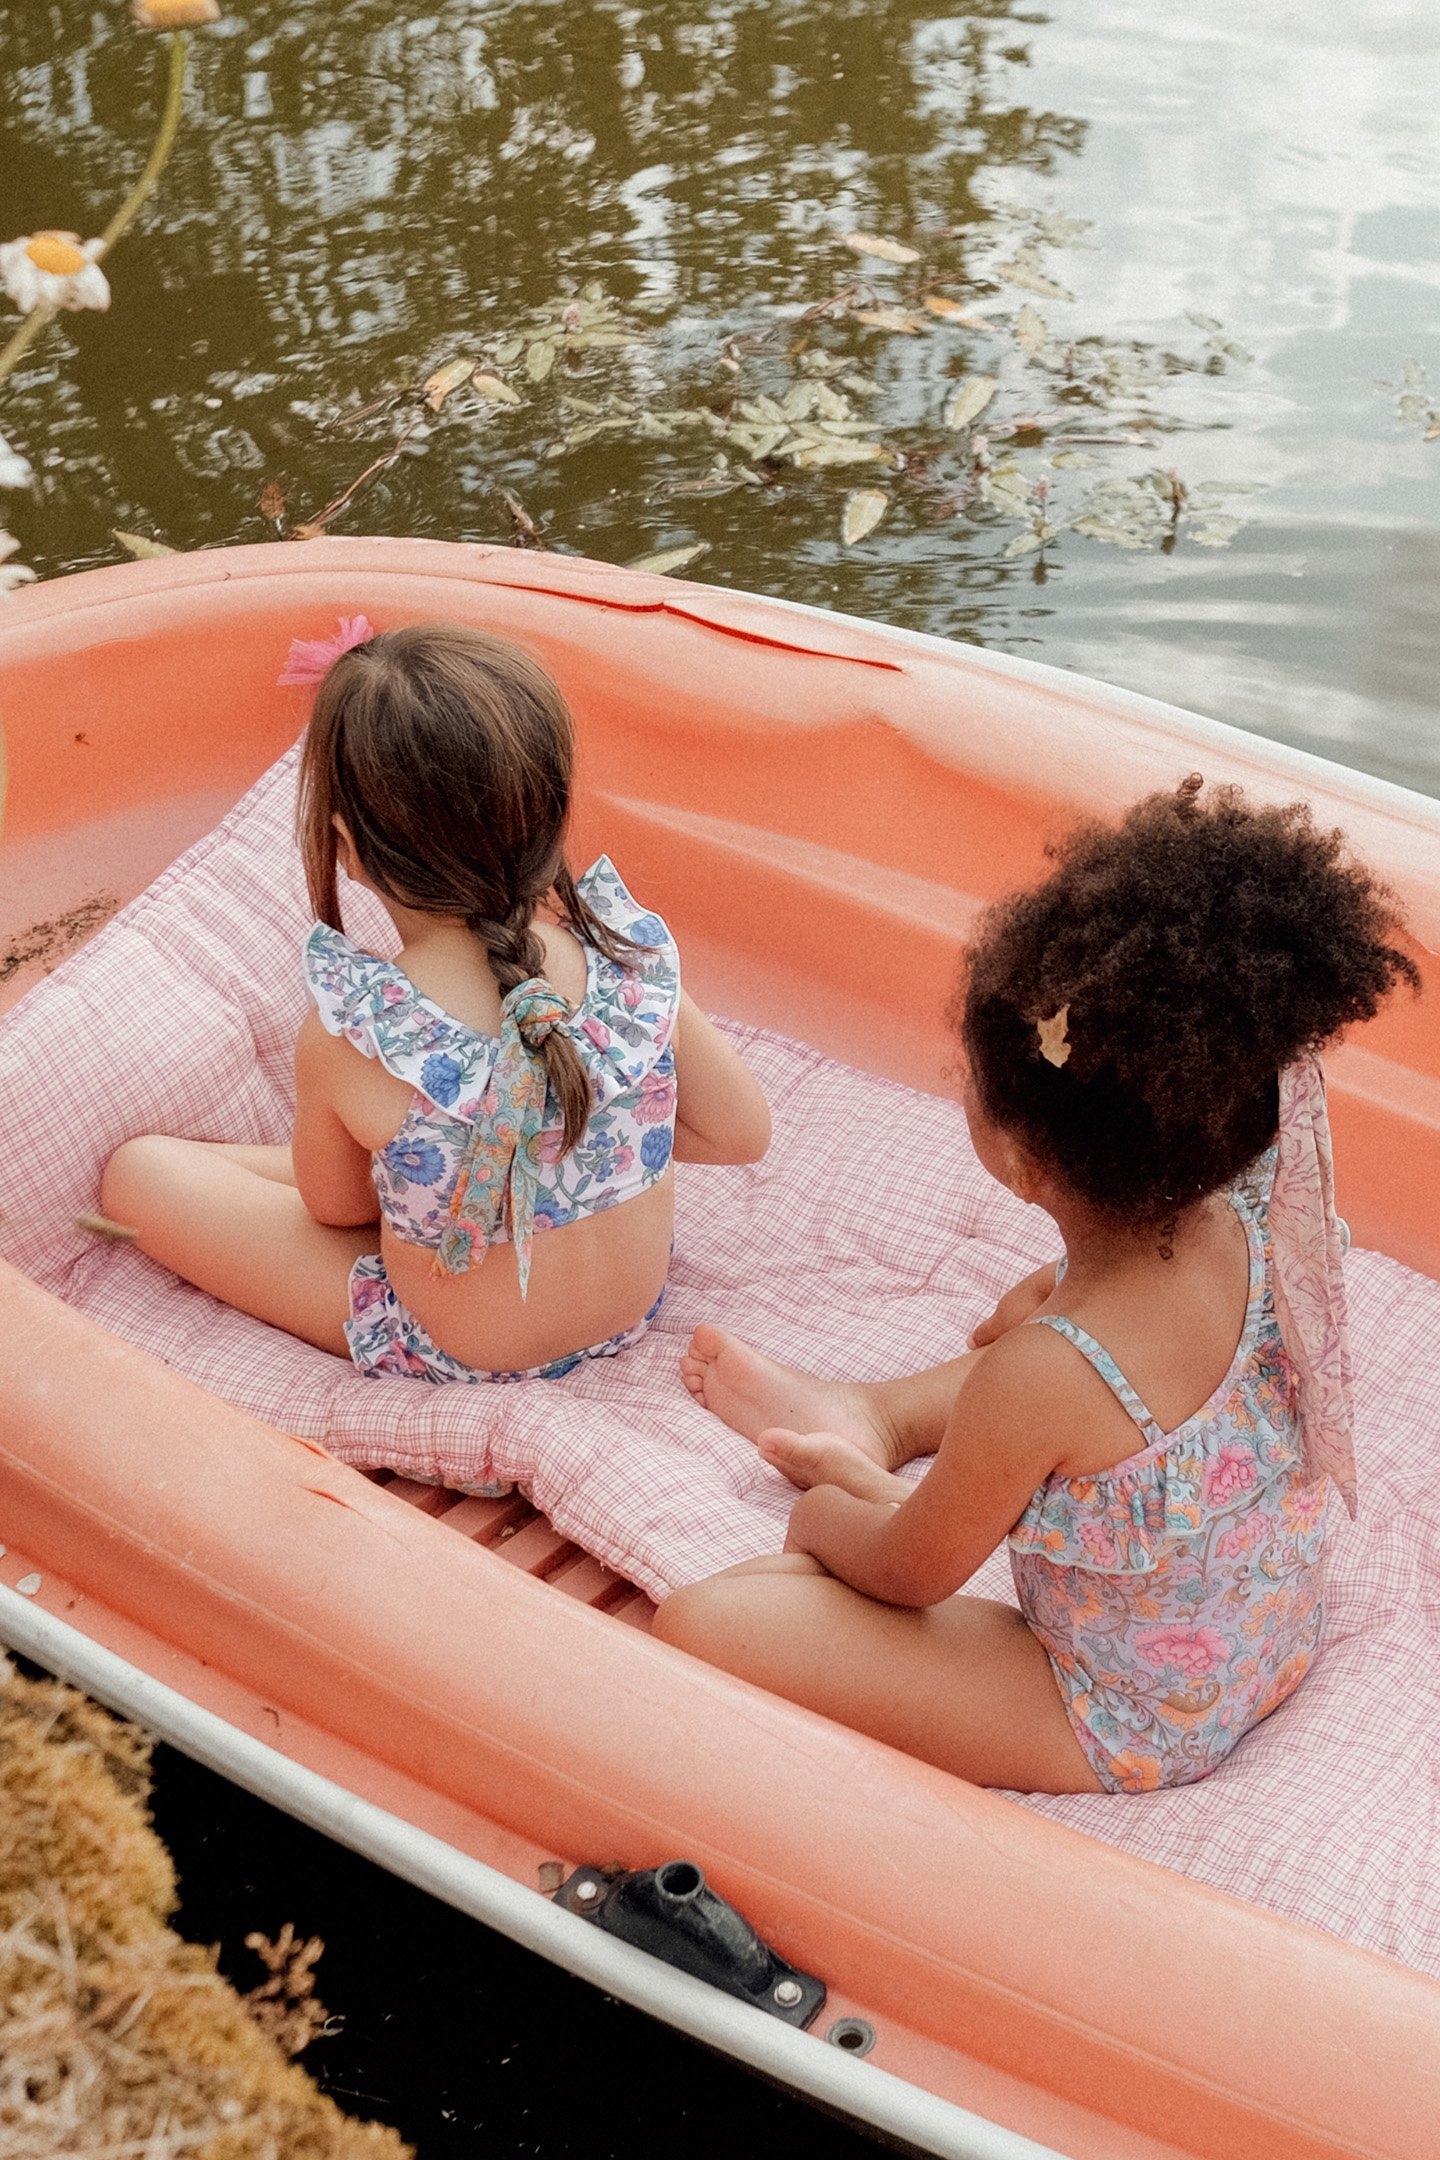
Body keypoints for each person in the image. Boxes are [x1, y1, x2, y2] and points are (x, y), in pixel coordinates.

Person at [661, 777, 1418, 1794]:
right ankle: (878, 1428)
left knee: (709, 1620)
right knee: (1037, 1333)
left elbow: (910, 1575)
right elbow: (1088, 1337)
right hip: (1269, 1634)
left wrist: (830, 1518)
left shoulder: (1041, 1374)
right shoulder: (1255, 1210)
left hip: (1124, 1716)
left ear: (1020, 1163)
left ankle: (879, 1469)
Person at [103, 620, 770, 1384]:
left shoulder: (364, 1033)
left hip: (460, 1349)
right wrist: (583, 1135)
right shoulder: (624, 964)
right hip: (629, 1310)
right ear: (548, 817)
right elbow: (741, 1133)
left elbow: (340, 1212)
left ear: (347, 848)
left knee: (139, 1175)